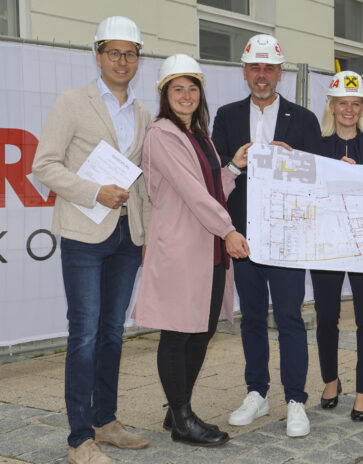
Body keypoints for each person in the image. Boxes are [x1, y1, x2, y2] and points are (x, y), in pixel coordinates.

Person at [32, 16, 150, 463]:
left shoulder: (142, 113)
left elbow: (140, 181)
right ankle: (79, 438)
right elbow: (44, 165)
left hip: (125, 234)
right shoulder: (71, 102)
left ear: (139, 59)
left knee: (113, 334)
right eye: (114, 52)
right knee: (84, 334)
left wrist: (147, 233)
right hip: (85, 233)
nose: (123, 61)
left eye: (131, 53)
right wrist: (93, 191)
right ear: (98, 56)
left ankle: (106, 422)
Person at [134, 54, 251, 446]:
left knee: (200, 332)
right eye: (177, 89)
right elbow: (192, 194)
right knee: (177, 334)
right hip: (183, 249)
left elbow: (212, 187)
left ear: (201, 93)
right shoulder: (163, 134)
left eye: (192, 88)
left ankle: (175, 408)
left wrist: (233, 168)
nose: (186, 95)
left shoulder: (197, 135)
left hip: (208, 250)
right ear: (165, 94)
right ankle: (183, 421)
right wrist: (229, 230)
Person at [211, 34, 321, 437]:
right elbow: (215, 172)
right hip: (243, 238)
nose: (262, 75)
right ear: (245, 72)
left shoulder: (303, 119)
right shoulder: (226, 116)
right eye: (255, 68)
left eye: (269, 68)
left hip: (288, 237)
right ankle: (256, 393)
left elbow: (318, 176)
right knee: (252, 318)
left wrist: (294, 162)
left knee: (290, 318)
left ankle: (295, 401)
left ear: (280, 73)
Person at [310, 71, 363, 422]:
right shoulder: (315, 144)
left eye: (356, 103)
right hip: (327, 242)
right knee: (326, 317)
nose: (349, 109)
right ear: (331, 105)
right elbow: (307, 193)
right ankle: (330, 380)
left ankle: (362, 392)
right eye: (343, 103)